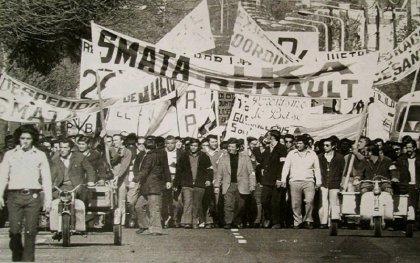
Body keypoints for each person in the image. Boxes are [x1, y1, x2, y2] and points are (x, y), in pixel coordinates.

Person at [0, 125, 52, 262]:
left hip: (33, 196)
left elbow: (47, 178)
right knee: (14, 231)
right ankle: (17, 258)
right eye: (22, 138)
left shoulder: (40, 155)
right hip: (14, 196)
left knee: (30, 231)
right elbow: (3, 176)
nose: (25, 141)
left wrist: (48, 200)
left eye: (28, 138)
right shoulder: (10, 155)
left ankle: (28, 260)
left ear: (33, 139)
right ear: (18, 139)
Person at [133, 136, 171, 235]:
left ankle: (156, 229)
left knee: (154, 208)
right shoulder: (156, 155)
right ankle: (145, 226)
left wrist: (135, 179)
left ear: (146, 147)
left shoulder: (149, 156)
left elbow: (145, 170)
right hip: (148, 186)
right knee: (139, 206)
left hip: (153, 186)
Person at [281, 135, 321, 229]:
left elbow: (317, 169)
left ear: (306, 144)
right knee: (295, 203)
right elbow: (286, 167)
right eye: (297, 143)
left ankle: (308, 220)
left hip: (309, 181)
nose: (298, 145)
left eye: (300, 143)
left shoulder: (312, 154)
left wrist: (318, 181)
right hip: (294, 181)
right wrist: (283, 179)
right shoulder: (291, 153)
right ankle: (297, 221)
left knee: (309, 201)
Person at [214, 138, 255, 229]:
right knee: (228, 204)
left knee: (241, 205)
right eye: (229, 147)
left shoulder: (245, 158)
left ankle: (236, 220)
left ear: (237, 148)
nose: (230, 148)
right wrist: (217, 185)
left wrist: (252, 184)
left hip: (242, 184)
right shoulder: (223, 158)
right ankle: (228, 222)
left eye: (232, 147)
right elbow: (219, 173)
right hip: (228, 184)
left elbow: (251, 172)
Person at [174, 139, 213, 228]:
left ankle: (195, 222)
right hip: (187, 183)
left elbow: (209, 170)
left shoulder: (204, 156)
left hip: (200, 183)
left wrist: (208, 179)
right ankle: (187, 222)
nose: (193, 148)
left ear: (198, 146)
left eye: (195, 146)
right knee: (187, 202)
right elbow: (178, 171)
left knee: (197, 203)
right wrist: (176, 183)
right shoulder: (183, 156)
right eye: (192, 145)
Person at [51, 138, 96, 204]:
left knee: (80, 202)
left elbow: (89, 169)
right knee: (55, 202)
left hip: (77, 186)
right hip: (61, 187)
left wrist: (91, 181)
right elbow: (52, 174)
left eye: (65, 147)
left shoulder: (79, 157)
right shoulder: (56, 160)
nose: (62, 150)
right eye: (61, 147)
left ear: (70, 148)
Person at [258, 130, 288, 229]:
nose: (265, 137)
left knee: (276, 201)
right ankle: (267, 217)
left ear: (272, 137)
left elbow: (282, 164)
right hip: (267, 179)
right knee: (264, 200)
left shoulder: (282, 148)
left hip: (276, 179)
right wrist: (260, 147)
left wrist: (280, 178)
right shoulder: (266, 148)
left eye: (267, 135)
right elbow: (261, 160)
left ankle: (276, 222)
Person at [317, 137, 345, 229]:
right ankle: (323, 222)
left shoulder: (339, 157)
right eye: (324, 145)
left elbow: (343, 171)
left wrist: (342, 182)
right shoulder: (320, 156)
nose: (325, 147)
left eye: (327, 145)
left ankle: (334, 221)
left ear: (333, 146)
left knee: (334, 202)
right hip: (323, 182)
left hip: (335, 182)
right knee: (323, 203)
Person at [161, 135, 184, 228]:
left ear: (175, 144)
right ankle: (166, 219)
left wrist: (177, 181)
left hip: (177, 177)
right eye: (168, 143)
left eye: (172, 143)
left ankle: (175, 219)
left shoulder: (181, 153)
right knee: (165, 201)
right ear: (165, 144)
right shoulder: (162, 153)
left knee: (177, 202)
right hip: (165, 178)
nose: (170, 145)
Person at [395, 139, 420, 220]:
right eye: (407, 147)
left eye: (410, 148)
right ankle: (411, 223)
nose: (408, 150)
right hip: (407, 185)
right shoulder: (401, 159)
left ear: (414, 148)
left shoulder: (419, 158)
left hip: (417, 184)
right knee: (410, 204)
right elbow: (397, 171)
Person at [111, 134, 132, 226]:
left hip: (122, 178)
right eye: (113, 140)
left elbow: (125, 165)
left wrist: (118, 176)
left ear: (122, 141)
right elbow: (110, 162)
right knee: (112, 199)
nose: (114, 142)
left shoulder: (127, 152)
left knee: (121, 200)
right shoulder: (111, 150)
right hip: (111, 178)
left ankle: (121, 222)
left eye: (116, 140)